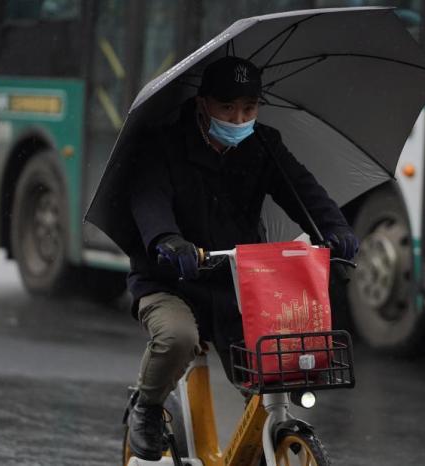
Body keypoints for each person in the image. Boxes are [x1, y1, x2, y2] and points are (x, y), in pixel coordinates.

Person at [126, 55, 358, 461]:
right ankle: (145, 409)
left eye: (249, 108)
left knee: (276, 370)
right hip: (170, 280)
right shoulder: (162, 145)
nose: (238, 119)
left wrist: (335, 229)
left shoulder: (264, 145)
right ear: (203, 104)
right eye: (227, 108)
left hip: (239, 283)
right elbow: (149, 201)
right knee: (177, 338)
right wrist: (167, 239)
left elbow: (304, 191)